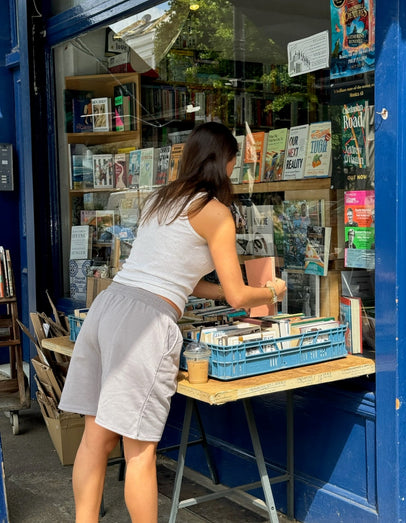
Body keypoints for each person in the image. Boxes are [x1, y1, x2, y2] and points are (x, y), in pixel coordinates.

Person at [58, 121, 287, 523]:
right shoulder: (216, 214)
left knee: (95, 439)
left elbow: (178, 275)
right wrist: (271, 292)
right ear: (224, 162)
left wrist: (217, 292)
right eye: (234, 163)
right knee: (140, 451)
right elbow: (238, 295)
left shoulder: (161, 200)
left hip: (108, 306)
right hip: (144, 323)